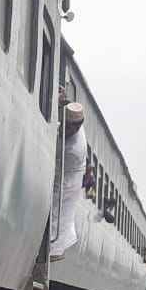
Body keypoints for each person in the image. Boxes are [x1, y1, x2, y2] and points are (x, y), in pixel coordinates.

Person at [50, 99, 87, 261]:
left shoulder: (73, 150)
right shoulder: (76, 122)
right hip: (68, 173)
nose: (67, 129)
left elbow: (53, 152)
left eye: (71, 127)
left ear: (77, 127)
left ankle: (54, 249)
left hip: (68, 178)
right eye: (66, 125)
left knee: (59, 212)